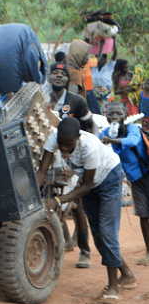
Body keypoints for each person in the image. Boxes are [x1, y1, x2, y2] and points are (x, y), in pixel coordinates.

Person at [37, 117, 137, 300]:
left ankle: (113, 286)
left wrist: (58, 200)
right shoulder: (54, 137)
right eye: (61, 143)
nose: (64, 148)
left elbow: (87, 186)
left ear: (78, 137)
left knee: (108, 234)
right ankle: (128, 275)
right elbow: (42, 170)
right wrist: (35, 196)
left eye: (68, 144)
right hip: (88, 182)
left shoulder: (89, 146)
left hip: (108, 179)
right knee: (98, 236)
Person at [47, 62, 97, 268]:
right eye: (55, 73)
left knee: (76, 206)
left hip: (72, 158)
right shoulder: (42, 99)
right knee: (51, 199)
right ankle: (63, 242)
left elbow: (90, 123)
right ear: (49, 77)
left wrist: (90, 149)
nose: (59, 76)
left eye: (63, 74)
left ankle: (85, 250)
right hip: (49, 155)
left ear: (69, 79)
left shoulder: (76, 100)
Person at [101, 102, 149, 266]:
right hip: (134, 179)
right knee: (143, 215)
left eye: (118, 114)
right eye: (111, 114)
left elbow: (131, 141)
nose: (114, 117)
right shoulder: (106, 133)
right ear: (107, 117)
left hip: (147, 173)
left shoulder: (132, 129)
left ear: (125, 116)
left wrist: (111, 140)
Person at [92, 36, 118, 116]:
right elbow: (98, 58)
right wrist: (101, 46)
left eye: (103, 59)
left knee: (106, 115)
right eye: (99, 59)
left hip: (106, 95)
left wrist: (114, 39)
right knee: (95, 115)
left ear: (106, 60)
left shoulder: (109, 67)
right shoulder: (93, 68)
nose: (101, 61)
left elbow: (115, 53)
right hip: (95, 95)